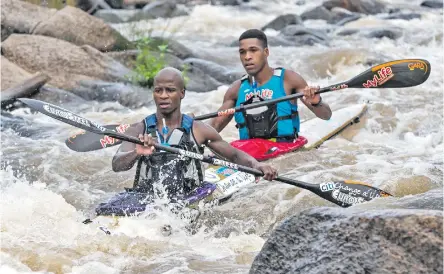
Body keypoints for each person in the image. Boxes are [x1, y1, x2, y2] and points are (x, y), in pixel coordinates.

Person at [112, 67, 278, 199]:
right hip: (148, 197)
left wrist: (257, 165)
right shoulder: (139, 129)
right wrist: (137, 152)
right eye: (158, 90)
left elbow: (234, 156)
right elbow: (117, 165)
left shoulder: (198, 130)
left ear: (182, 93)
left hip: (189, 194)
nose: (163, 96)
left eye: (170, 90)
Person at [209, 29, 332, 142]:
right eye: (242, 52)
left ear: (266, 52)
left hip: (286, 151)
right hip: (251, 156)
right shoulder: (236, 90)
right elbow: (214, 126)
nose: (247, 57)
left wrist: (317, 102)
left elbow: (326, 115)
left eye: (253, 50)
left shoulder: (288, 80)